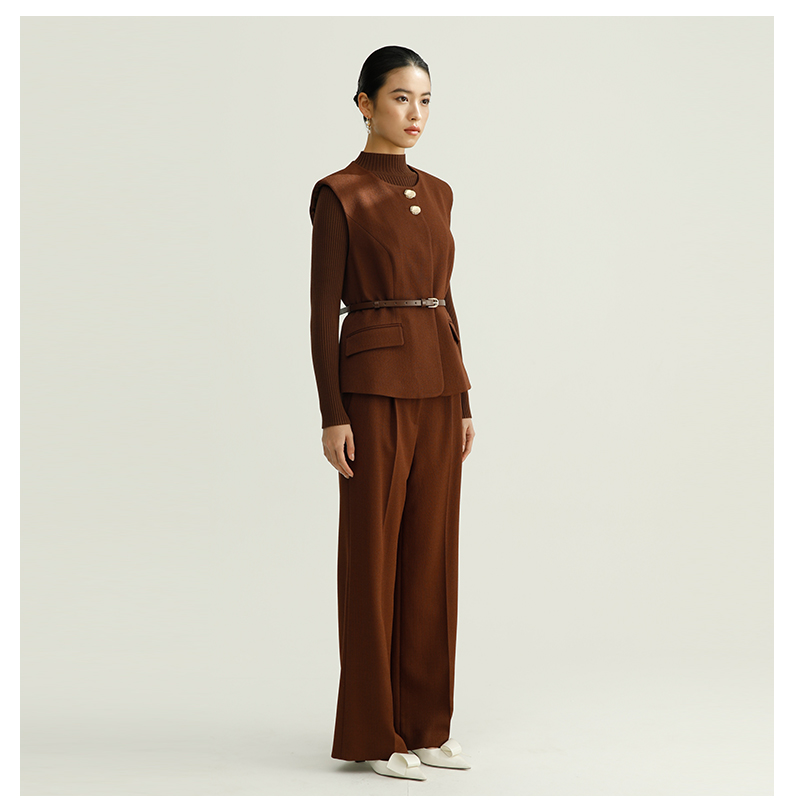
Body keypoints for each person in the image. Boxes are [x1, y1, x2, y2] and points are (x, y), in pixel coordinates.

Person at [309, 45, 475, 781]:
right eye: (402, 97)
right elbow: (322, 312)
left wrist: (463, 398)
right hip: (372, 389)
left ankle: (427, 723)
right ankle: (375, 732)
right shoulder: (339, 193)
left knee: (433, 555)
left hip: (440, 386)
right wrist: (332, 412)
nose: (416, 113)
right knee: (372, 558)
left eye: (426, 100)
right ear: (365, 104)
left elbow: (447, 298)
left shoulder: (439, 192)